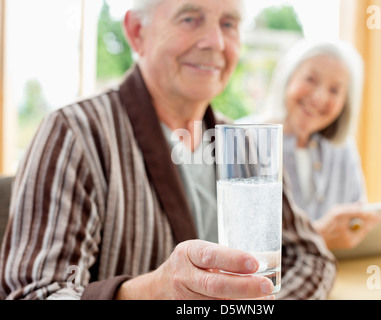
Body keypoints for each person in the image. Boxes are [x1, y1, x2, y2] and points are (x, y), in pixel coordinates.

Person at [0, 0, 336, 300]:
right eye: (190, 18)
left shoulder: (244, 143)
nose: (215, 42)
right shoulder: (75, 134)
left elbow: (311, 258)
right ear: (136, 32)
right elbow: (38, 292)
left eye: (229, 24)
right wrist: (152, 293)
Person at [255, 39, 381, 250]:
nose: (319, 97)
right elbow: (240, 243)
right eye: (310, 79)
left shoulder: (343, 149)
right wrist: (316, 236)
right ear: (289, 78)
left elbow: (356, 218)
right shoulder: (244, 140)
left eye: (334, 90)